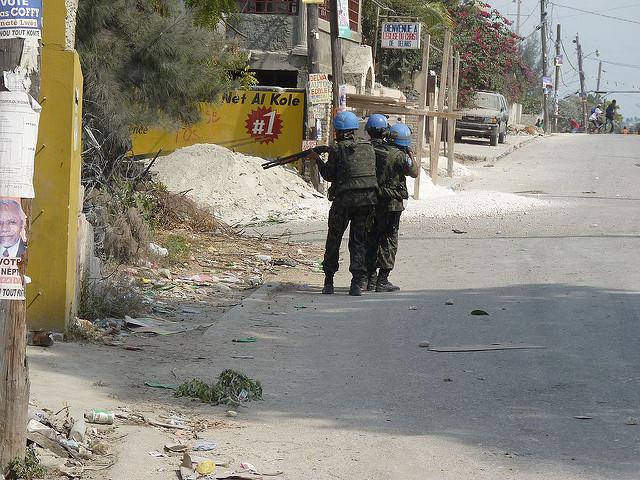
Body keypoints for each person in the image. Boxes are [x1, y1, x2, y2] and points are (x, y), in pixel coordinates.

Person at [315, 111, 378, 296]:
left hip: (344, 201)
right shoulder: (368, 147)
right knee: (359, 241)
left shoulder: (337, 150)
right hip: (367, 201)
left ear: (338, 131)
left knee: (334, 239)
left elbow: (328, 174)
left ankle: (328, 282)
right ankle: (357, 283)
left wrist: (318, 160)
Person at [365, 120, 419, 292]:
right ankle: (382, 281)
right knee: (389, 241)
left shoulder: (375, 150)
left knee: (372, 238)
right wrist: (411, 155)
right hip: (392, 204)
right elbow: (414, 172)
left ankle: (370, 279)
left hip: (374, 201)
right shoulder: (400, 156)